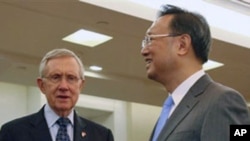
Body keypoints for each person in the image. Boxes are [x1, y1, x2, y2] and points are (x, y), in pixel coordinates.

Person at [140, 4, 250, 141]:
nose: (144, 51)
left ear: (182, 45)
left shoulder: (224, 101)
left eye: (150, 39)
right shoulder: (170, 109)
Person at [0, 48, 114, 141]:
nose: (63, 86)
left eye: (71, 78)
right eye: (56, 77)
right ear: (42, 85)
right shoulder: (13, 133)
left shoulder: (102, 136)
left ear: (81, 86)